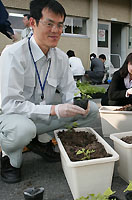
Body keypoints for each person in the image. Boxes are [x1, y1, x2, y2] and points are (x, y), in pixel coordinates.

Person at [0, 0, 99, 184]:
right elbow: (9, 105)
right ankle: (8, 158)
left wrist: (77, 103)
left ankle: (41, 141)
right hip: (12, 117)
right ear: (33, 23)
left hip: (41, 117)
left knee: (91, 109)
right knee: (23, 129)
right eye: (49, 24)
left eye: (60, 25)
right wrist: (55, 110)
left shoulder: (60, 58)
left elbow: (71, 91)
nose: (56, 30)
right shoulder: (13, 54)